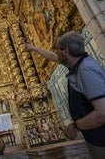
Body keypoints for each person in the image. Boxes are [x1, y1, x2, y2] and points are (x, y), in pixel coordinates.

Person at [25, 30, 105, 158]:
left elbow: (102, 112)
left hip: (101, 138)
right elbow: (51, 56)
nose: (56, 52)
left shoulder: (85, 70)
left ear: (65, 51)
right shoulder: (77, 64)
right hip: (95, 135)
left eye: (57, 49)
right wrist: (34, 48)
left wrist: (74, 126)